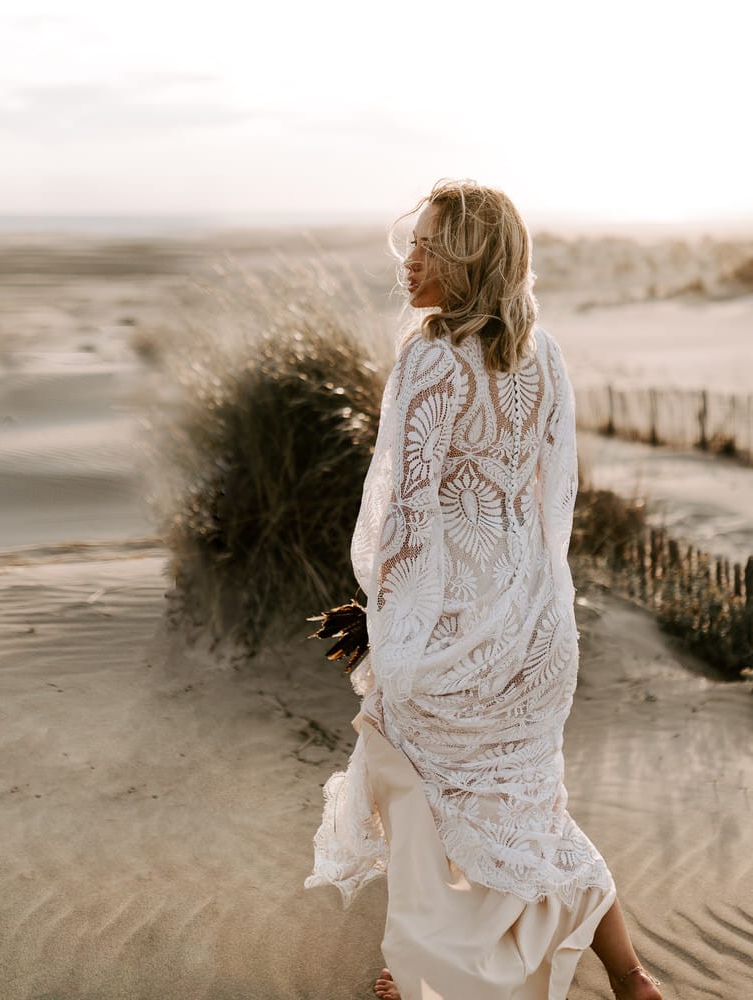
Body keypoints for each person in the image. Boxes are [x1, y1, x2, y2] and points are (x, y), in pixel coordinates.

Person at [304, 178, 663, 1000]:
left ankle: (424, 968)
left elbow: (408, 515)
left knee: (408, 780)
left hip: (452, 628)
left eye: (431, 243)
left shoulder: (431, 357)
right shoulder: (543, 356)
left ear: (469, 259)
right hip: (532, 626)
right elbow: (550, 496)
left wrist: (387, 619)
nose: (412, 257)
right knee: (532, 808)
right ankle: (632, 977)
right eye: (415, 239)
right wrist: (533, 606)